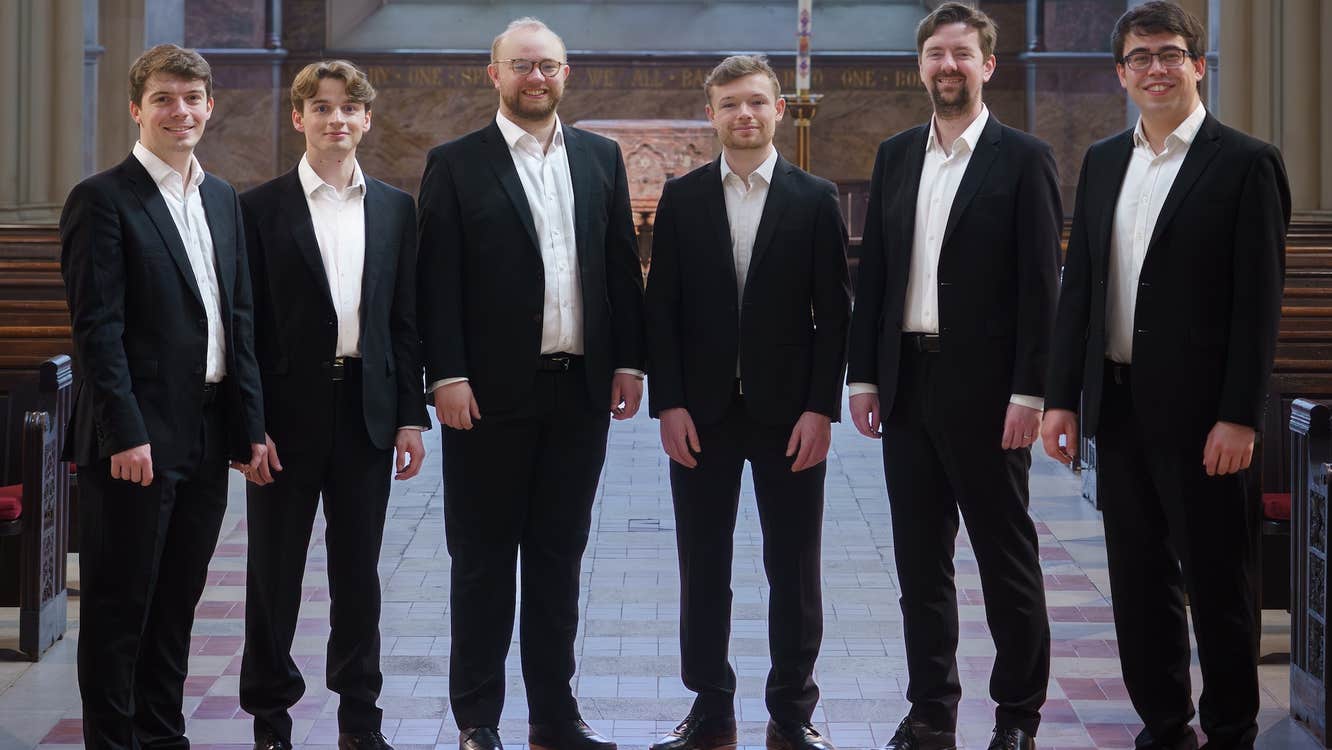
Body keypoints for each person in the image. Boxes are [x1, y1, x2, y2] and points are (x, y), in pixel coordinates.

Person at [1040, 3, 1290, 747]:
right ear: (1121, 73)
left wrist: (1240, 416)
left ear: (1197, 66)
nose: (1156, 68)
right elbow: (1081, 288)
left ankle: (1232, 729)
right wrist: (1061, 398)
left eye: (1170, 54)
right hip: (1118, 407)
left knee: (1218, 585)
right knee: (1139, 582)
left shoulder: (1245, 162)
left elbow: (1258, 305)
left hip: (1205, 417)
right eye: (1140, 57)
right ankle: (1164, 726)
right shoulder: (1103, 162)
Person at [415, 16, 645, 750]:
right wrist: (447, 374)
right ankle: (478, 719)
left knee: (558, 558)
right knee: (482, 561)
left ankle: (554, 715)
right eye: (521, 65)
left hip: (579, 392)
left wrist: (629, 361)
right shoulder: (457, 163)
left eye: (547, 65)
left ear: (565, 73)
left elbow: (619, 266)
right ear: (495, 74)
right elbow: (436, 280)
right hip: (485, 396)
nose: (535, 77)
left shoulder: (601, 158)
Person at [844, 4, 1062, 748]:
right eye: (936, 53)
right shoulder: (896, 155)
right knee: (920, 565)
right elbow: (875, 272)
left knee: (1006, 559)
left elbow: (1041, 288)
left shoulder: (1023, 158)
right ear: (921, 65)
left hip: (989, 392)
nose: (948, 66)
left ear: (987, 65)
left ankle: (1017, 716)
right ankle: (931, 710)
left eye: (962, 54)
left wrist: (1030, 392)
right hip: (908, 384)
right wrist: (864, 377)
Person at [59, 43, 267, 750]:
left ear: (210, 106)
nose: (181, 111)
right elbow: (97, 330)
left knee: (178, 600)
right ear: (136, 109)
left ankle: (161, 734)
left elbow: (237, 319)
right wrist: (123, 432)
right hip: (138, 436)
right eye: (164, 99)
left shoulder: (221, 197)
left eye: (192, 98)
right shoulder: (102, 199)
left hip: (206, 429)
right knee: (121, 605)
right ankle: (112, 742)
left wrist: (250, 425)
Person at [644, 55, 850, 750]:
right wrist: (669, 403)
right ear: (711, 114)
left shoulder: (814, 198)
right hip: (701, 415)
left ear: (779, 110)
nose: (745, 114)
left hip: (789, 415)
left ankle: (792, 711)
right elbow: (662, 308)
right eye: (730, 103)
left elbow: (835, 316)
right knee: (703, 564)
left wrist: (821, 409)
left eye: (757, 102)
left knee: (793, 567)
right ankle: (711, 705)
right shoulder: (682, 198)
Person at [236, 60, 429, 750]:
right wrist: (249, 424)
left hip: (366, 413)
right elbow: (244, 326)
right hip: (285, 420)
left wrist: (409, 415)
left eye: (349, 107)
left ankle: (360, 718)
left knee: (358, 575)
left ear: (367, 119)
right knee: (274, 574)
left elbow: (404, 321)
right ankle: (270, 720)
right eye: (321, 107)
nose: (336, 119)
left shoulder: (396, 208)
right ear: (299, 118)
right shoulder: (258, 208)